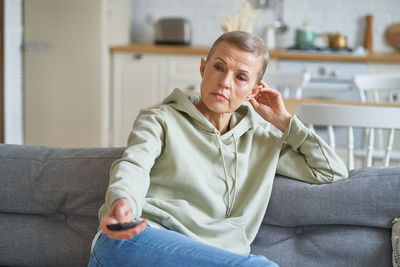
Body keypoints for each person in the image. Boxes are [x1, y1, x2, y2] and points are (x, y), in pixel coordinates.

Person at [88, 31, 348, 267]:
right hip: (134, 238)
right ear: (203, 68)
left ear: (253, 91)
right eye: (219, 67)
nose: (225, 82)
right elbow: (134, 165)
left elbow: (331, 171)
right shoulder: (159, 119)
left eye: (241, 77)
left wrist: (284, 121)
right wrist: (123, 202)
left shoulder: (263, 142)